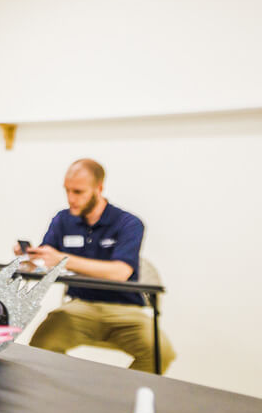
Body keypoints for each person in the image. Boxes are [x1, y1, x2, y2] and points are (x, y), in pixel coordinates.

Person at [25, 159, 173, 373]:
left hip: (125, 312)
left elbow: (120, 272)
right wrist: (29, 258)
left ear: (99, 188)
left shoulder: (129, 223)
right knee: (41, 345)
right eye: (67, 191)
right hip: (79, 307)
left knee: (161, 354)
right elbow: (45, 263)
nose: (71, 198)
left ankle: (123, 398)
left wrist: (61, 259)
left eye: (78, 192)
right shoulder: (62, 220)